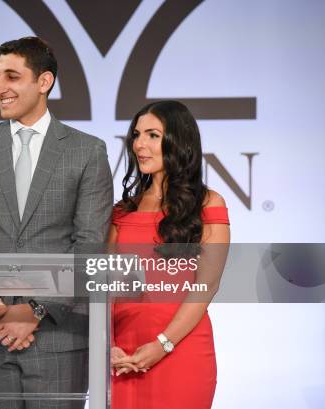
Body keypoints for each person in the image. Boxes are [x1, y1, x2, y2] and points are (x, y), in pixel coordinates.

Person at [0, 37, 113, 409]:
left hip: (59, 337)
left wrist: (35, 309)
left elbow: (88, 246)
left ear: (44, 82)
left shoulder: (87, 151)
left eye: (11, 77)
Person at [109, 100, 230, 409]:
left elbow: (206, 287)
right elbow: (104, 286)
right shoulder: (122, 211)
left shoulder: (208, 204)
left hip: (182, 350)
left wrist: (163, 344)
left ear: (178, 141)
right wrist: (106, 346)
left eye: (152, 135)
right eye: (136, 135)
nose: (139, 145)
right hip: (122, 356)